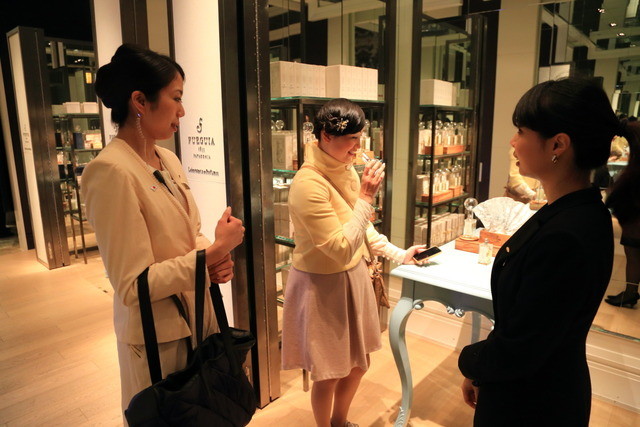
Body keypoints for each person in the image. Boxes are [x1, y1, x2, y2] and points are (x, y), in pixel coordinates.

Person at [82, 44, 245, 421]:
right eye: (176, 98)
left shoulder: (167, 158)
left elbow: (191, 233)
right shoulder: (110, 171)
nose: (182, 111)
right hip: (159, 339)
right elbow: (131, 285)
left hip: (198, 320)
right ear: (140, 101)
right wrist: (211, 254)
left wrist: (214, 258)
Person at [458, 78, 618, 425]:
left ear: (558, 144)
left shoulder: (567, 235)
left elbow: (521, 347)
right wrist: (483, 371)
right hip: (534, 386)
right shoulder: (574, 211)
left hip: (533, 403)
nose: (513, 142)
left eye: (521, 131)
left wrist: (470, 362)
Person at [281, 98, 426, 427]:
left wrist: (399, 254)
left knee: (359, 364)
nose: (358, 149)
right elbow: (341, 248)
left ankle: (339, 421)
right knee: (329, 372)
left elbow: (362, 230)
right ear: (326, 136)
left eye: (360, 139)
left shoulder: (344, 170)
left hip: (354, 277)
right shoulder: (307, 184)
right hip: (322, 285)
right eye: (352, 140)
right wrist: (365, 197)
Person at [605, 117, 640, 308]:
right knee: (632, 253)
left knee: (633, 254)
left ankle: (630, 292)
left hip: (636, 217)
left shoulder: (636, 168)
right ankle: (630, 292)